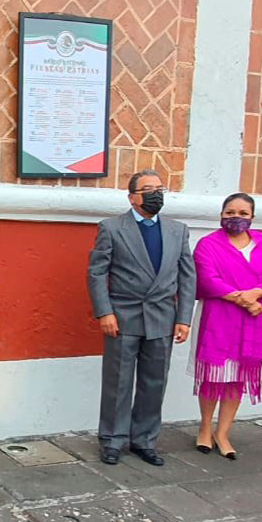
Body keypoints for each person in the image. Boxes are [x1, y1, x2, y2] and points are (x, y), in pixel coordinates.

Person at [87, 170, 197, 466]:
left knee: (154, 382)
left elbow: (188, 277)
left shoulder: (178, 230)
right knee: (118, 382)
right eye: (147, 189)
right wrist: (105, 311)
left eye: (159, 188)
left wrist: (184, 318)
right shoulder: (111, 228)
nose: (155, 194)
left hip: (162, 316)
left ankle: (144, 440)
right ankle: (112, 439)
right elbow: (97, 272)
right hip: (123, 315)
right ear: (132, 197)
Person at [190, 193, 262, 459]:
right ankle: (205, 429)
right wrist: (244, 299)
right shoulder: (208, 244)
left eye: (243, 213)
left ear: (252, 217)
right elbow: (207, 279)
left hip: (253, 319)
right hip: (218, 316)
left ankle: (224, 432)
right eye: (230, 212)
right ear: (221, 214)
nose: (236, 218)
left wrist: (256, 295)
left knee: (237, 377)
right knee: (214, 376)